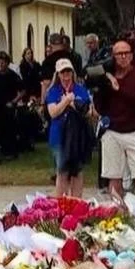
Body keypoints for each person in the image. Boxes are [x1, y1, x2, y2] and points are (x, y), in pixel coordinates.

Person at [97, 39, 135, 202]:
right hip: (112, 130)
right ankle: (118, 211)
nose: (123, 57)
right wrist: (103, 85)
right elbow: (100, 104)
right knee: (114, 175)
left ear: (131, 55)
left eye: (126, 53)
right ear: (113, 56)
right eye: (119, 54)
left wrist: (119, 88)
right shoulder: (107, 76)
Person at [45, 58, 93, 197]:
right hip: (59, 136)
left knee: (77, 171)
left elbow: (88, 112)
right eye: (62, 72)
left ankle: (77, 203)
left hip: (77, 135)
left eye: (68, 72)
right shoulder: (53, 91)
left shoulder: (80, 89)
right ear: (58, 74)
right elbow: (53, 112)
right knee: (62, 171)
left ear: (72, 73)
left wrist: (74, 104)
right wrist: (66, 101)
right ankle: (61, 204)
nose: (66, 75)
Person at [0, 53, 22, 159]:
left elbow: (23, 90)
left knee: (10, 128)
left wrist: (14, 101)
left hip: (9, 106)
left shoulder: (12, 75)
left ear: (7, 63)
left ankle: (11, 151)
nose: (0, 65)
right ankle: (2, 149)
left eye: (2, 62)